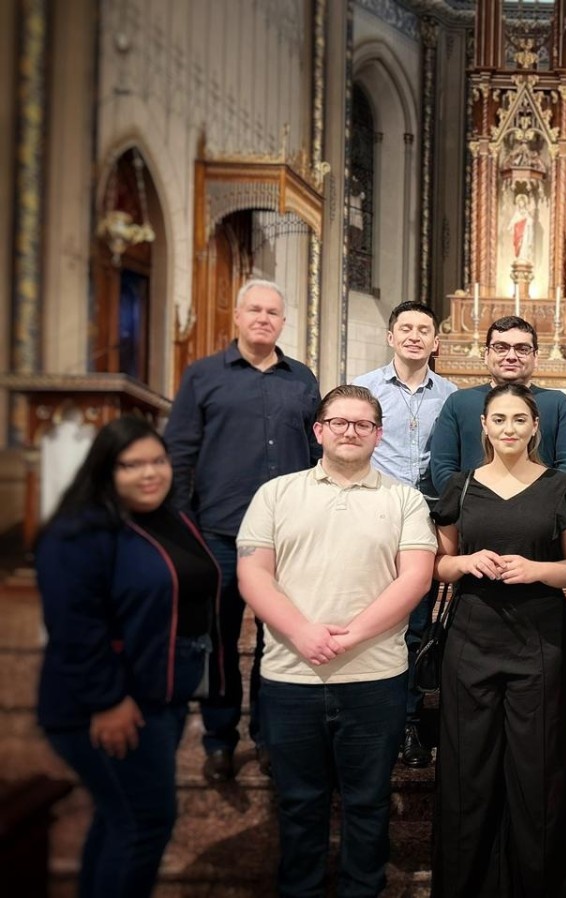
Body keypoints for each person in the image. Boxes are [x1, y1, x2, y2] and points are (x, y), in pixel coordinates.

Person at [237, 384, 436, 897]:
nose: (351, 432)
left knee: (368, 802)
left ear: (378, 434)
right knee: (300, 803)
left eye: (363, 424)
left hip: (374, 677)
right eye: (340, 423)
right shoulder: (276, 494)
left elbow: (415, 578)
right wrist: (303, 632)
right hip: (290, 676)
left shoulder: (404, 499)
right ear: (319, 430)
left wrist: (354, 635)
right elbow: (254, 575)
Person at [37, 416, 219, 898]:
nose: (149, 474)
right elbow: (76, 629)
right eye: (131, 465)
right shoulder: (80, 533)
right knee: (145, 822)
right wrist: (106, 700)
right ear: (104, 470)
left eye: (157, 460)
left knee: (121, 818)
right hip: (110, 703)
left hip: (160, 692)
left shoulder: (171, 517)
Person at [431, 383, 566, 898]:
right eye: (498, 419)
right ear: (483, 425)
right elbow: (440, 563)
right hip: (472, 637)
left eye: (519, 419)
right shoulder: (462, 484)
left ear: (535, 426)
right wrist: (467, 562)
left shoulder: (558, 486)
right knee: (466, 768)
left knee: (538, 769)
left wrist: (537, 569)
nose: (508, 429)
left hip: (539, 641)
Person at [164, 278, 321, 783]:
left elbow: (317, 454)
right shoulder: (203, 376)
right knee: (220, 640)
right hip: (219, 534)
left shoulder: (302, 379)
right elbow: (179, 454)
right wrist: (183, 525)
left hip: (290, 538)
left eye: (273, 312)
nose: (263, 318)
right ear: (236, 315)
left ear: (283, 321)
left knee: (282, 640)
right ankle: (218, 739)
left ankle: (272, 738)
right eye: (254, 309)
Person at [353, 300, 457, 768]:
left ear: (436, 342)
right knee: (369, 619)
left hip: (427, 522)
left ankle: (410, 724)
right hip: (372, 517)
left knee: (415, 627)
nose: (415, 336)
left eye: (424, 330)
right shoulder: (364, 391)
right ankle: (367, 720)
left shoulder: (452, 397)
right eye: (406, 328)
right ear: (391, 337)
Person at [429, 315, 566, 494]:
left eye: (522, 349)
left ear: (536, 357)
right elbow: (443, 469)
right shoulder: (458, 402)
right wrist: (482, 503)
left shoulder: (557, 403)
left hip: (542, 513)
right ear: (486, 355)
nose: (511, 356)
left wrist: (534, 502)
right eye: (500, 348)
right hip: (471, 514)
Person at [510, 194, 534, 263]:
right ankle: (519, 257)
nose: (521, 203)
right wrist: (511, 226)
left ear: (524, 203)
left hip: (525, 231)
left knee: (524, 244)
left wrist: (528, 220)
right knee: (519, 245)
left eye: (522, 202)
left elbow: (529, 221)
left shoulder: (526, 213)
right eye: (520, 202)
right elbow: (513, 221)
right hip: (518, 232)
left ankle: (524, 257)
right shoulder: (517, 213)